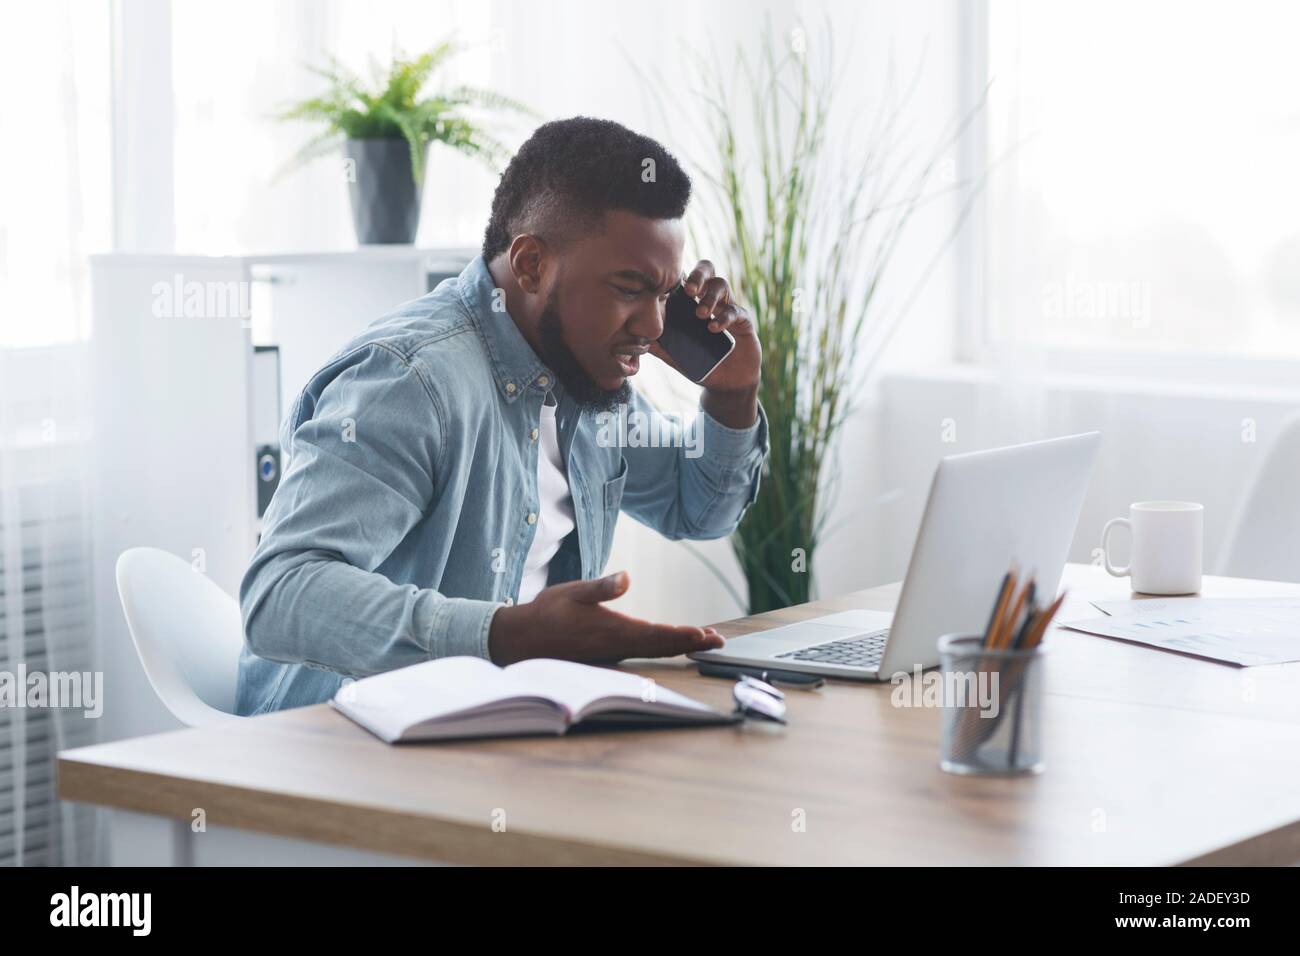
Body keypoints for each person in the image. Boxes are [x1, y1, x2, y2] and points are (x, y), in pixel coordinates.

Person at [236, 116, 769, 714]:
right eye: (628, 287)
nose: (652, 327)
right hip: (344, 747)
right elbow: (279, 596)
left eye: (664, 295)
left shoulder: (581, 377)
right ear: (532, 264)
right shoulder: (410, 381)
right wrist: (505, 636)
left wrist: (733, 392)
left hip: (503, 729)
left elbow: (695, 508)